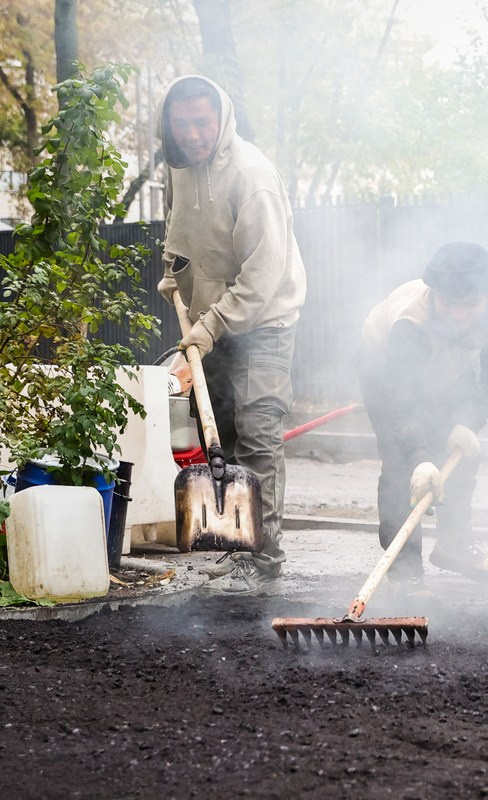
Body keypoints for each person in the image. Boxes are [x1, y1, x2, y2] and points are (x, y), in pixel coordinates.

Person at [155, 75, 306, 595]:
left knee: (258, 433)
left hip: (265, 321)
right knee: (222, 435)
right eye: (182, 124)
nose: (193, 134)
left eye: (202, 123)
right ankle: (240, 547)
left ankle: (265, 559)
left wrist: (212, 325)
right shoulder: (179, 168)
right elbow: (180, 228)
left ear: (221, 120)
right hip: (209, 323)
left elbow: (263, 276)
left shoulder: (251, 176)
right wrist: (174, 271)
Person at [358, 242, 488, 596]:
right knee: (401, 466)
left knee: (461, 451)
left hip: (451, 368)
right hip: (385, 369)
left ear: (487, 296)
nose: (458, 315)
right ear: (433, 295)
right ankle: (404, 572)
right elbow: (400, 396)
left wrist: (468, 422)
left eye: (470, 305)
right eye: (448, 304)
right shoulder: (410, 322)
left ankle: (454, 545)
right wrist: (419, 458)